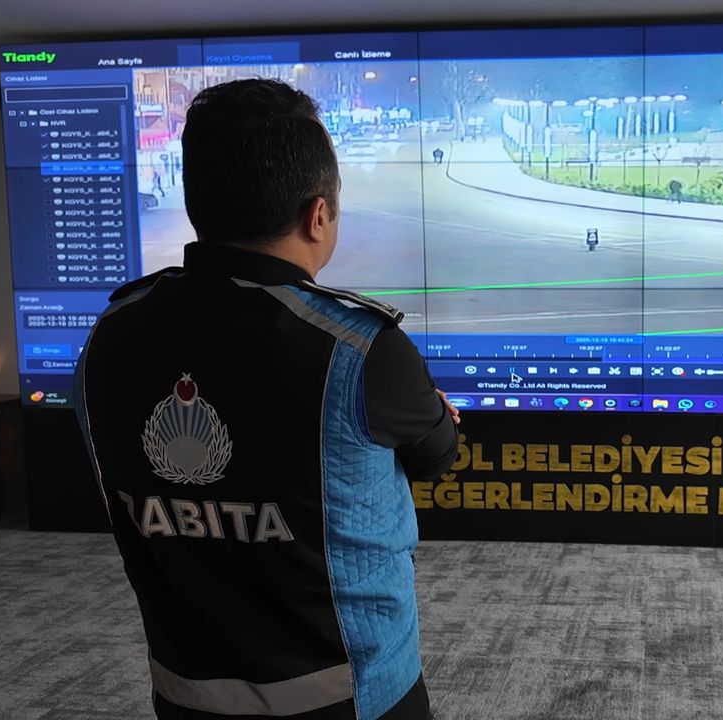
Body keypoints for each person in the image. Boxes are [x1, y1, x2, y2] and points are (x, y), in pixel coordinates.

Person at [74, 79, 459, 720]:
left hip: (186, 692)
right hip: (351, 695)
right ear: (318, 214)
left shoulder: (109, 336)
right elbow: (436, 453)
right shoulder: (358, 346)